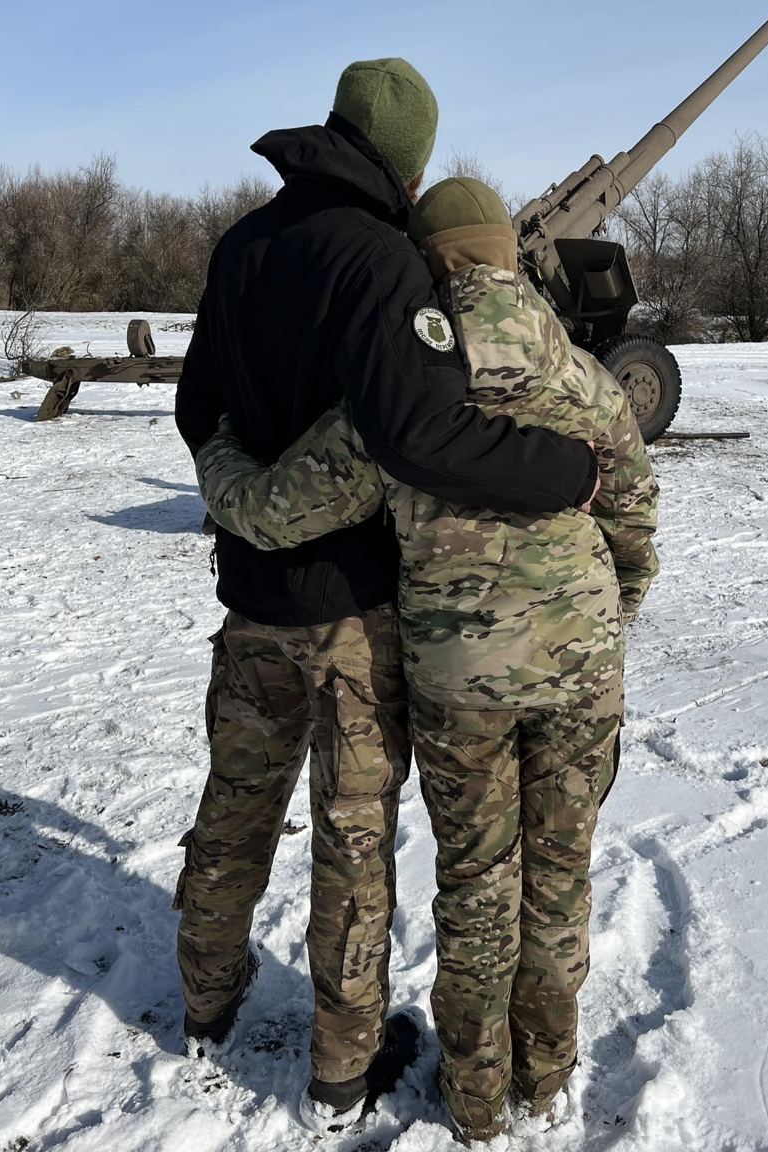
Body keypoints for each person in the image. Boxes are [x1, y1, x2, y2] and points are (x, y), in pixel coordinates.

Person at [173, 62, 600, 1127]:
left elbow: (195, 408)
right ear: (408, 163)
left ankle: (202, 998)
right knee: (351, 843)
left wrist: (242, 489)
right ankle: (341, 1065)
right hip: (354, 616)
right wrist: (565, 472)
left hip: (250, 604)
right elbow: (421, 435)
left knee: (231, 811)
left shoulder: (240, 246)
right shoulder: (380, 260)